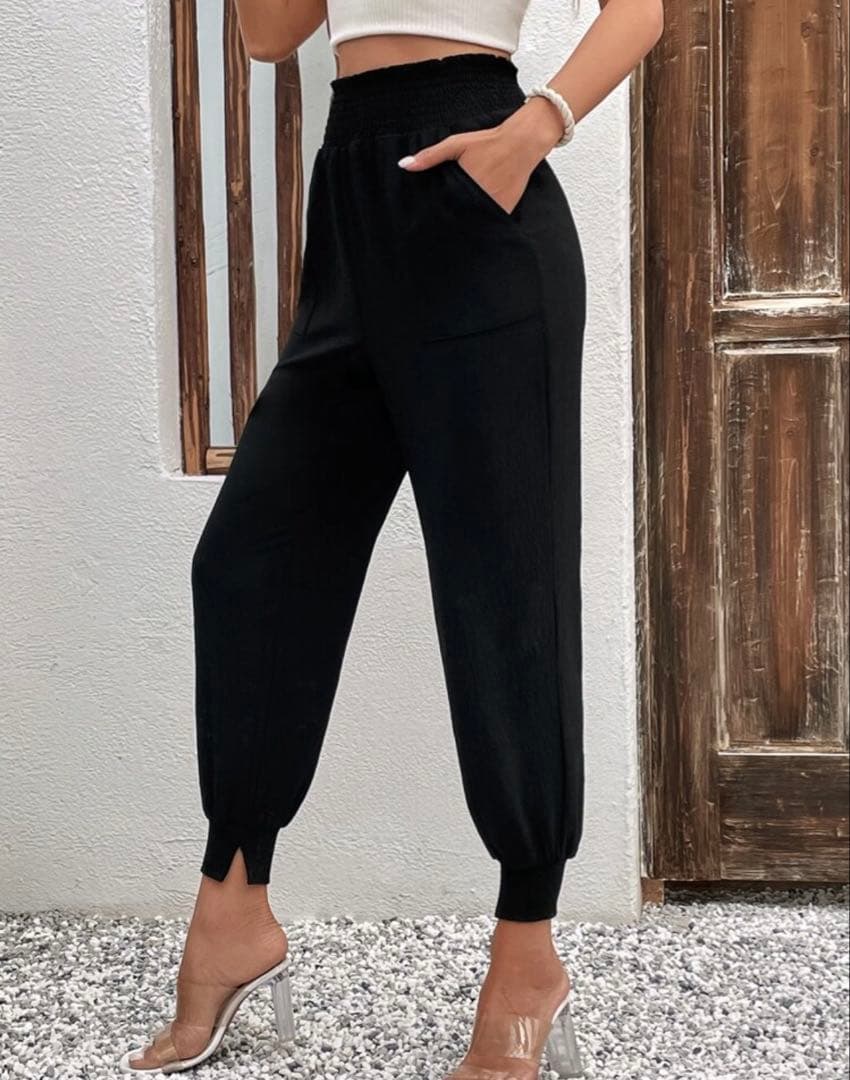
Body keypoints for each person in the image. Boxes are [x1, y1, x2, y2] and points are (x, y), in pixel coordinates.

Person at [120, 0, 663, 1074]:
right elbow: (269, 35)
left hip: (483, 202)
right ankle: (234, 907)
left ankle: (528, 953)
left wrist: (536, 127)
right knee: (249, 564)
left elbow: (640, 9)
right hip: (351, 201)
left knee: (507, 592)